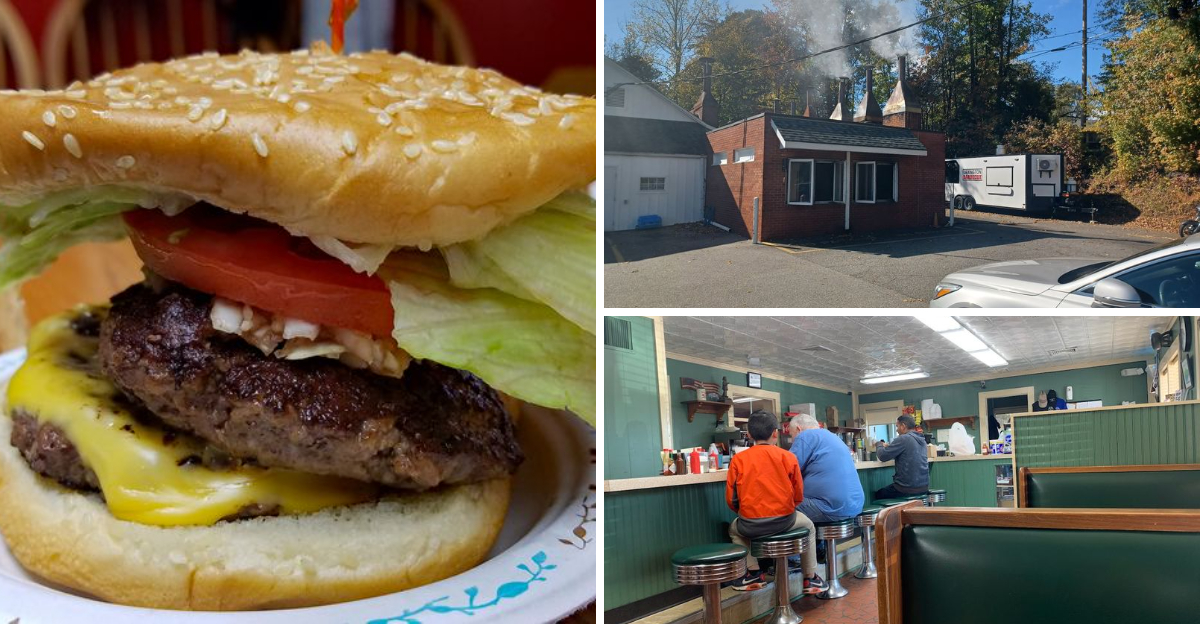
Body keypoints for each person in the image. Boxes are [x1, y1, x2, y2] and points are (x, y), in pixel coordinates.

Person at [726, 411, 828, 594]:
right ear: (775, 433)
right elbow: (798, 495)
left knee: (734, 529)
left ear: (748, 434)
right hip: (785, 521)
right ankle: (810, 577)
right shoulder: (788, 457)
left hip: (750, 524)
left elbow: (732, 500)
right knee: (810, 527)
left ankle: (754, 572)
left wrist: (749, 514)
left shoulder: (737, 460)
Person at [787, 413, 864, 522]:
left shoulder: (805, 436)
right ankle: (819, 539)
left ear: (798, 429)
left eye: (792, 435)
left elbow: (787, 469)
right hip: (854, 505)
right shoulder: (833, 437)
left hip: (830, 507)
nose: (793, 440)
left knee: (780, 504)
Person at [873, 415, 929, 500]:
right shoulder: (921, 439)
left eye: (897, 426)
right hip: (923, 487)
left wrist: (879, 444)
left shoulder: (904, 438)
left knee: (879, 494)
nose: (896, 429)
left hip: (907, 489)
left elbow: (882, 456)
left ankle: (892, 513)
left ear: (903, 426)